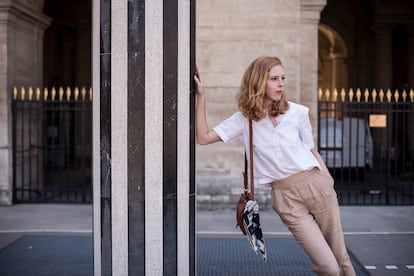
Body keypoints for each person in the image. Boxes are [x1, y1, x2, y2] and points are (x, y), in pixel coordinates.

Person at [194, 56, 356, 276]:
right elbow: (202, 137)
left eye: (283, 78)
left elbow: (311, 150)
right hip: (285, 197)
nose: (281, 84)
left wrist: (328, 181)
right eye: (274, 79)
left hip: (317, 186)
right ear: (259, 81)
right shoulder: (244, 119)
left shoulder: (298, 112)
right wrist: (201, 96)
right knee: (328, 266)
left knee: (341, 259)